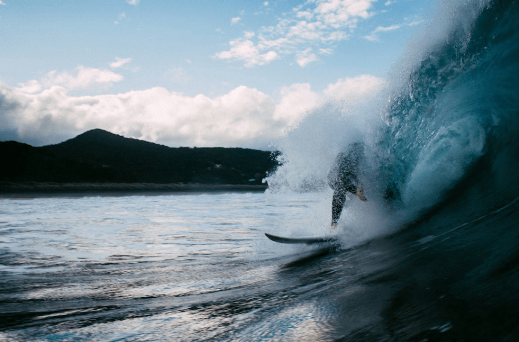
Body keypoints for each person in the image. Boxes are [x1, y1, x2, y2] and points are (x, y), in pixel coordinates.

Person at [328, 142, 367, 227]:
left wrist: (359, 188)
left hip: (348, 175)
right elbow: (342, 180)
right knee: (341, 188)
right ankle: (334, 224)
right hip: (333, 178)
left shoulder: (365, 157)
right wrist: (356, 191)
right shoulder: (347, 158)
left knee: (356, 190)